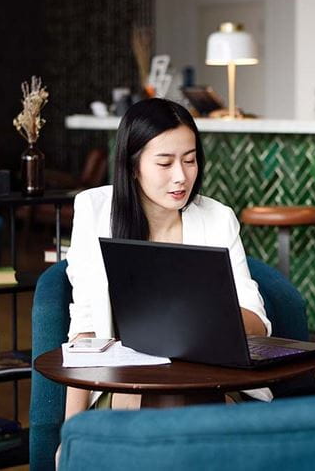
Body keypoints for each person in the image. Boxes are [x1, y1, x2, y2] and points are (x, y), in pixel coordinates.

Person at [63, 98, 270, 418]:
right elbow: (85, 333)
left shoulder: (217, 217)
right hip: (125, 387)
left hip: (210, 385)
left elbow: (257, 322)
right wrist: (70, 437)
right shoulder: (94, 211)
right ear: (133, 165)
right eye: (164, 163)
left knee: (186, 405)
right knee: (152, 403)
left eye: (190, 160)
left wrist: (205, 318)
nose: (181, 177)